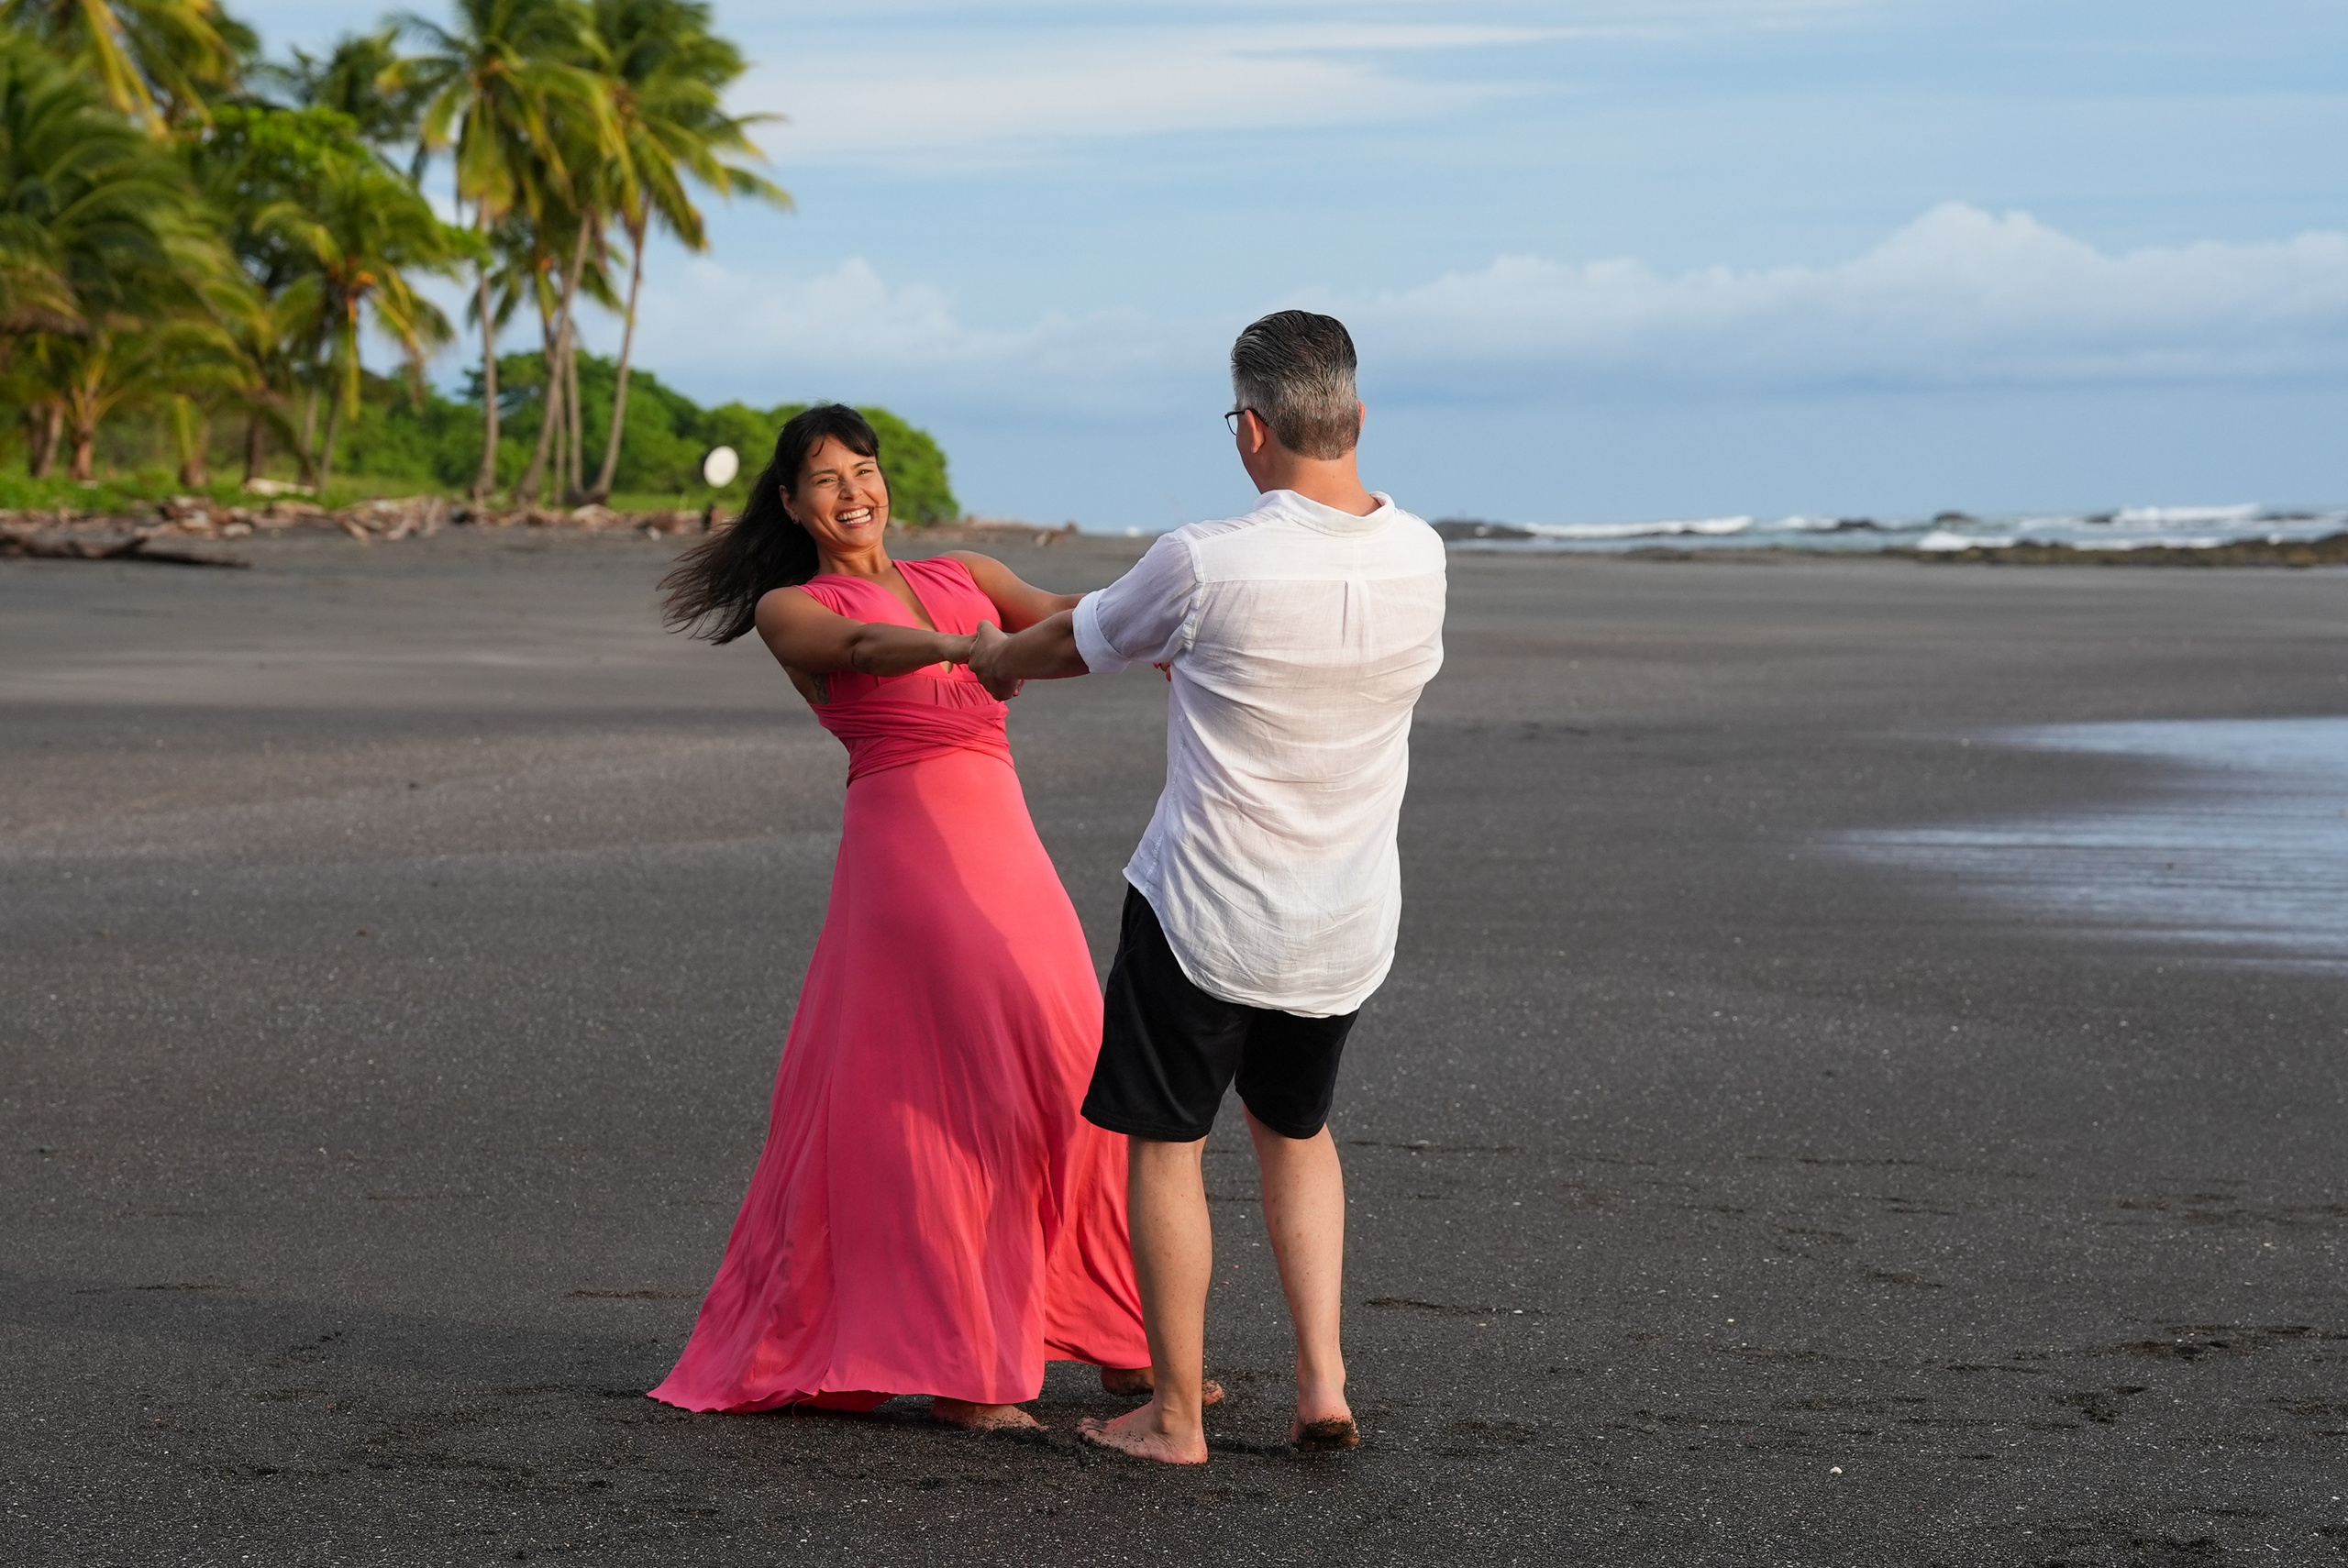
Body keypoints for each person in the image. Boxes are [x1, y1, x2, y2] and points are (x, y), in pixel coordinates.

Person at [969, 311, 1448, 1463]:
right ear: (1354, 417)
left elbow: (1075, 640)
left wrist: (989, 661)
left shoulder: (1207, 557)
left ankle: (1176, 1414)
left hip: (1206, 911)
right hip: (1343, 917)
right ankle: (1322, 1386)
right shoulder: (1420, 553)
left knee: (1166, 1146)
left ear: (1251, 428)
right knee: (1297, 1132)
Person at [648, 403, 1160, 1429]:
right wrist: (970, 651)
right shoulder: (790, 607)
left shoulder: (966, 570)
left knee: (1075, 1068)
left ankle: (1113, 1330)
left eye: (864, 469)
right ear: (792, 503)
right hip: (910, 859)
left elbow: (1069, 613)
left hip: (1007, 852)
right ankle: (967, 1372)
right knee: (957, 1100)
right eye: (826, 478)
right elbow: (863, 646)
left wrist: (1174, 610)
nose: (853, 493)